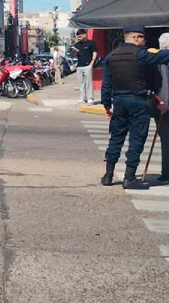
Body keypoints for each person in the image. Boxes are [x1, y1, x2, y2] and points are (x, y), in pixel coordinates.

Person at [100, 25, 169, 189]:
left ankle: (108, 175)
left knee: (116, 138)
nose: (145, 43)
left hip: (119, 101)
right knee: (136, 140)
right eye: (143, 38)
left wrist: (107, 106)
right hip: (138, 101)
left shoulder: (111, 57)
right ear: (136, 38)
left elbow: (106, 84)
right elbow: (162, 57)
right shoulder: (141, 55)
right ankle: (129, 178)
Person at [152, 32, 169, 186]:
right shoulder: (157, 62)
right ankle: (166, 173)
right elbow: (155, 85)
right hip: (163, 106)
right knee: (167, 140)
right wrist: (159, 101)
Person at [72, 29, 98, 105]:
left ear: (84, 35)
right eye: (77, 37)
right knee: (81, 83)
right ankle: (82, 98)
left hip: (88, 65)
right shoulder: (77, 45)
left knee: (89, 83)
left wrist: (92, 63)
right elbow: (75, 56)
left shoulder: (91, 43)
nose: (78, 38)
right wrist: (75, 53)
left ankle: (90, 98)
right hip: (79, 65)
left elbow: (95, 52)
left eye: (80, 36)